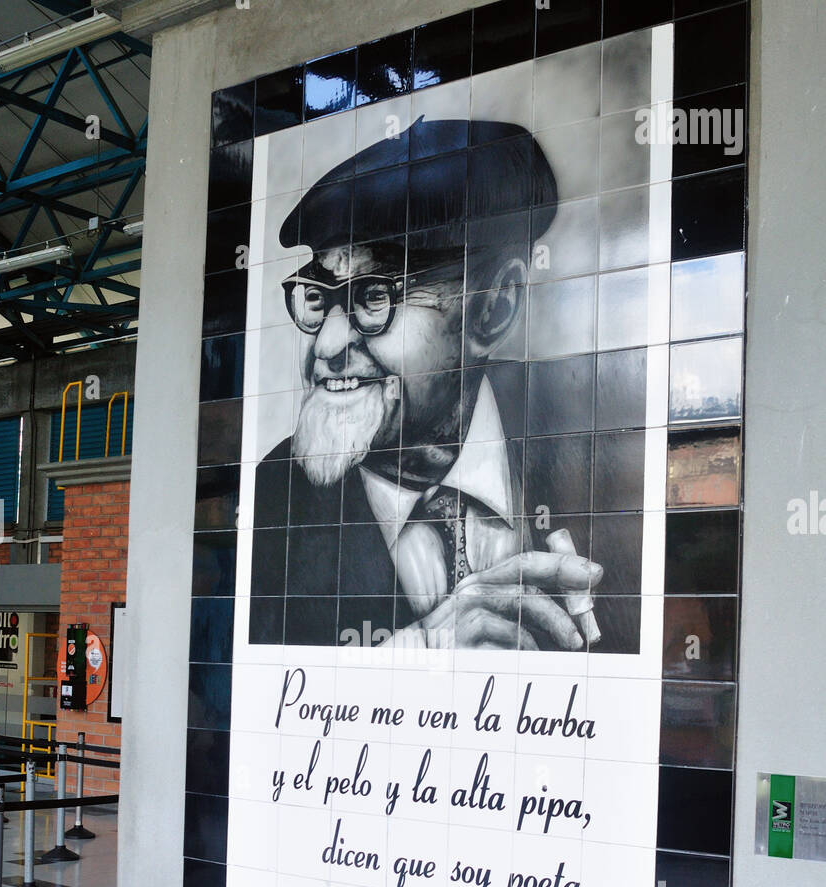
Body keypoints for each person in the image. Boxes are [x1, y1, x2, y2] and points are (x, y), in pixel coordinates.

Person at [249, 116, 609, 651]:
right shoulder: (273, 499)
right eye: (320, 298)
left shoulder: (602, 451)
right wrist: (421, 651)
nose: (325, 347)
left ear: (494, 308)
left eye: (373, 296)